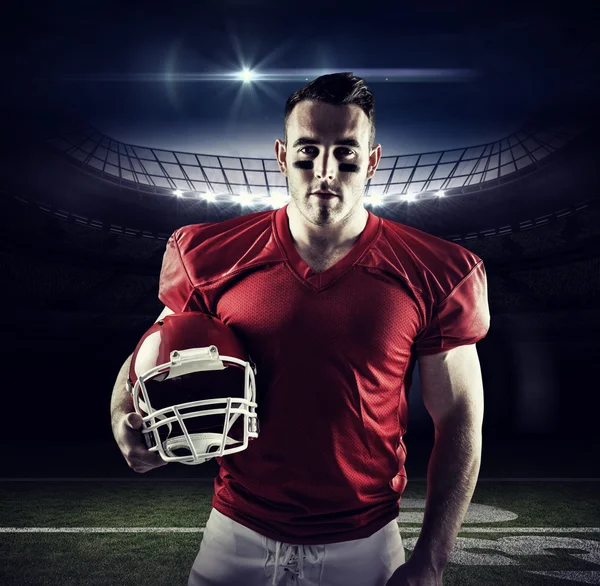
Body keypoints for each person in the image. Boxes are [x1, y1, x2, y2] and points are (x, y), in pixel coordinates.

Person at [111, 72, 489, 586]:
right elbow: (151, 349)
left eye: (346, 153)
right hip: (234, 532)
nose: (326, 172)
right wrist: (120, 417)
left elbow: (461, 418)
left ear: (372, 160)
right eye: (308, 151)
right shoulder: (210, 253)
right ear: (282, 155)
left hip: (365, 542)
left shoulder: (434, 269)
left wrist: (431, 560)